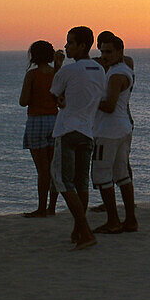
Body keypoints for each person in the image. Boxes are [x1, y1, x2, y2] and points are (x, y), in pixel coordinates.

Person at [50, 26, 106, 249]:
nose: (66, 47)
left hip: (67, 130)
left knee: (63, 182)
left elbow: (55, 93)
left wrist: (57, 66)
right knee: (81, 183)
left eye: (70, 43)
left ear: (82, 45)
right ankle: (78, 229)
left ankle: (85, 230)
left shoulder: (68, 71)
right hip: (88, 131)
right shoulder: (99, 70)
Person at [91, 35, 138, 232]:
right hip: (123, 128)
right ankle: (130, 220)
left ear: (120, 52)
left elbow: (109, 106)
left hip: (108, 131)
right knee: (122, 174)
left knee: (102, 175)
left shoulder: (116, 75)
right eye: (102, 51)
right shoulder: (124, 69)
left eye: (109, 52)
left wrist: (89, 102)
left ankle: (113, 221)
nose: (105, 56)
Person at [19, 40, 59, 217]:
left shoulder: (32, 75)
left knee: (42, 170)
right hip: (55, 120)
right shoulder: (56, 74)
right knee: (53, 167)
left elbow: (23, 101)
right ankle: (52, 207)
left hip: (37, 121)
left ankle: (41, 208)